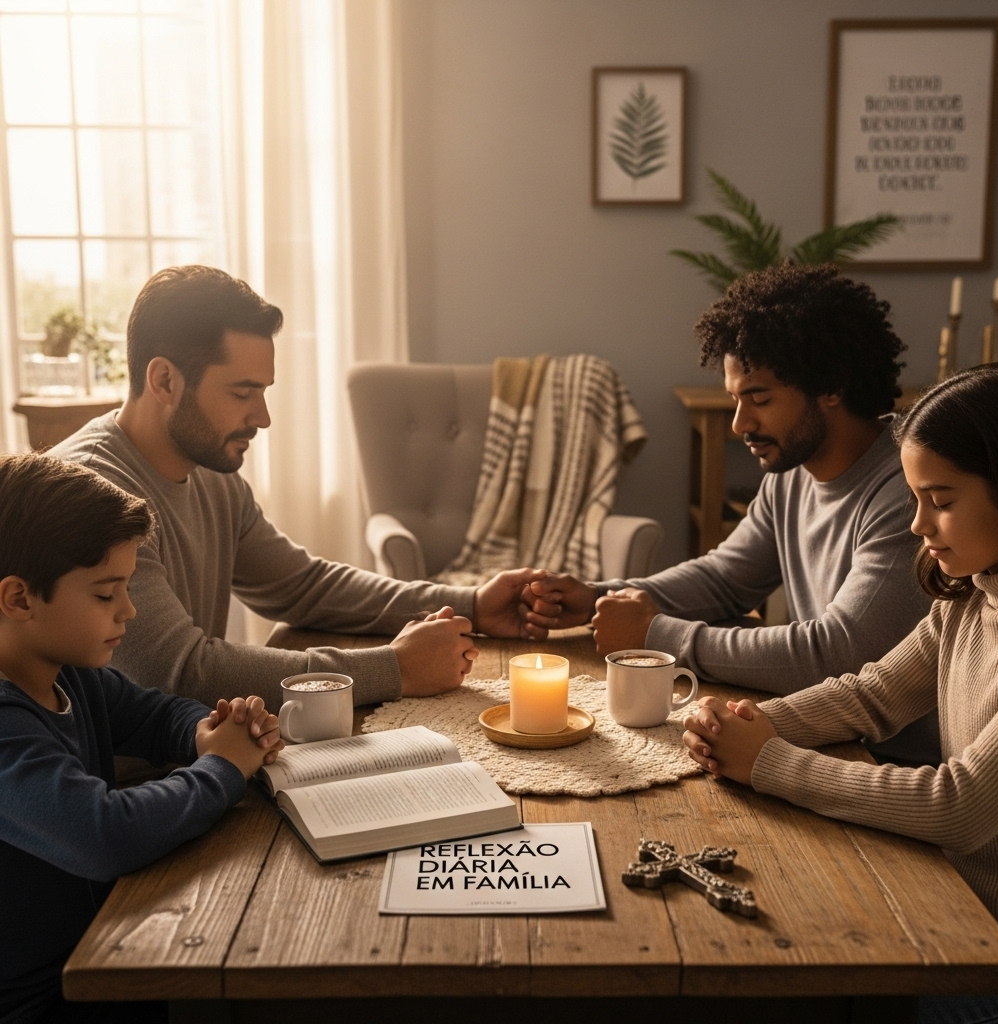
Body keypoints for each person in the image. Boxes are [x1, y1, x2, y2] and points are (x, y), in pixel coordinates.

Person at [682, 364, 998, 1024]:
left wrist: (769, 761)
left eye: (942, 500)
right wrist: (745, 722)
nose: (918, 524)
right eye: (916, 497)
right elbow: (873, 694)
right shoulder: (972, 596)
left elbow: (958, 805)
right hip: (952, 903)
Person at [52, 266, 543, 712]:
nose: (262, 418)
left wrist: (473, 603)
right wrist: (394, 669)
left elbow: (302, 586)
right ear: (164, 380)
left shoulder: (212, 474)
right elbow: (181, 672)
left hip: (193, 755)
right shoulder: (93, 494)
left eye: (263, 392)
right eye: (242, 393)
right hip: (123, 788)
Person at [521, 263, 936, 761]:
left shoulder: (911, 487)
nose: (741, 423)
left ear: (832, 386)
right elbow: (724, 579)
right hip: (819, 734)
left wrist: (656, 634)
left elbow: (839, 652)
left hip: (887, 766)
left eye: (758, 398)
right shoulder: (791, 474)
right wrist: (598, 599)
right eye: (735, 400)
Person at [0, 453, 284, 1024]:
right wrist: (222, 768)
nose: (128, 610)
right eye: (106, 595)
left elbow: (154, 715)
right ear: (20, 598)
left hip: (105, 952)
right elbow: (104, 834)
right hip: (45, 1000)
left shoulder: (70, 673)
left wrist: (208, 730)